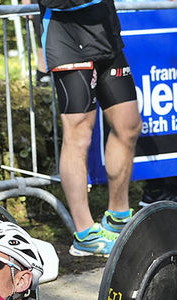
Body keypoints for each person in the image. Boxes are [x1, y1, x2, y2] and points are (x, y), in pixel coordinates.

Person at [35, 0, 142, 257]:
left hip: (104, 28)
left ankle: (117, 216)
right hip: (66, 32)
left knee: (128, 124)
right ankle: (84, 234)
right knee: (79, 134)